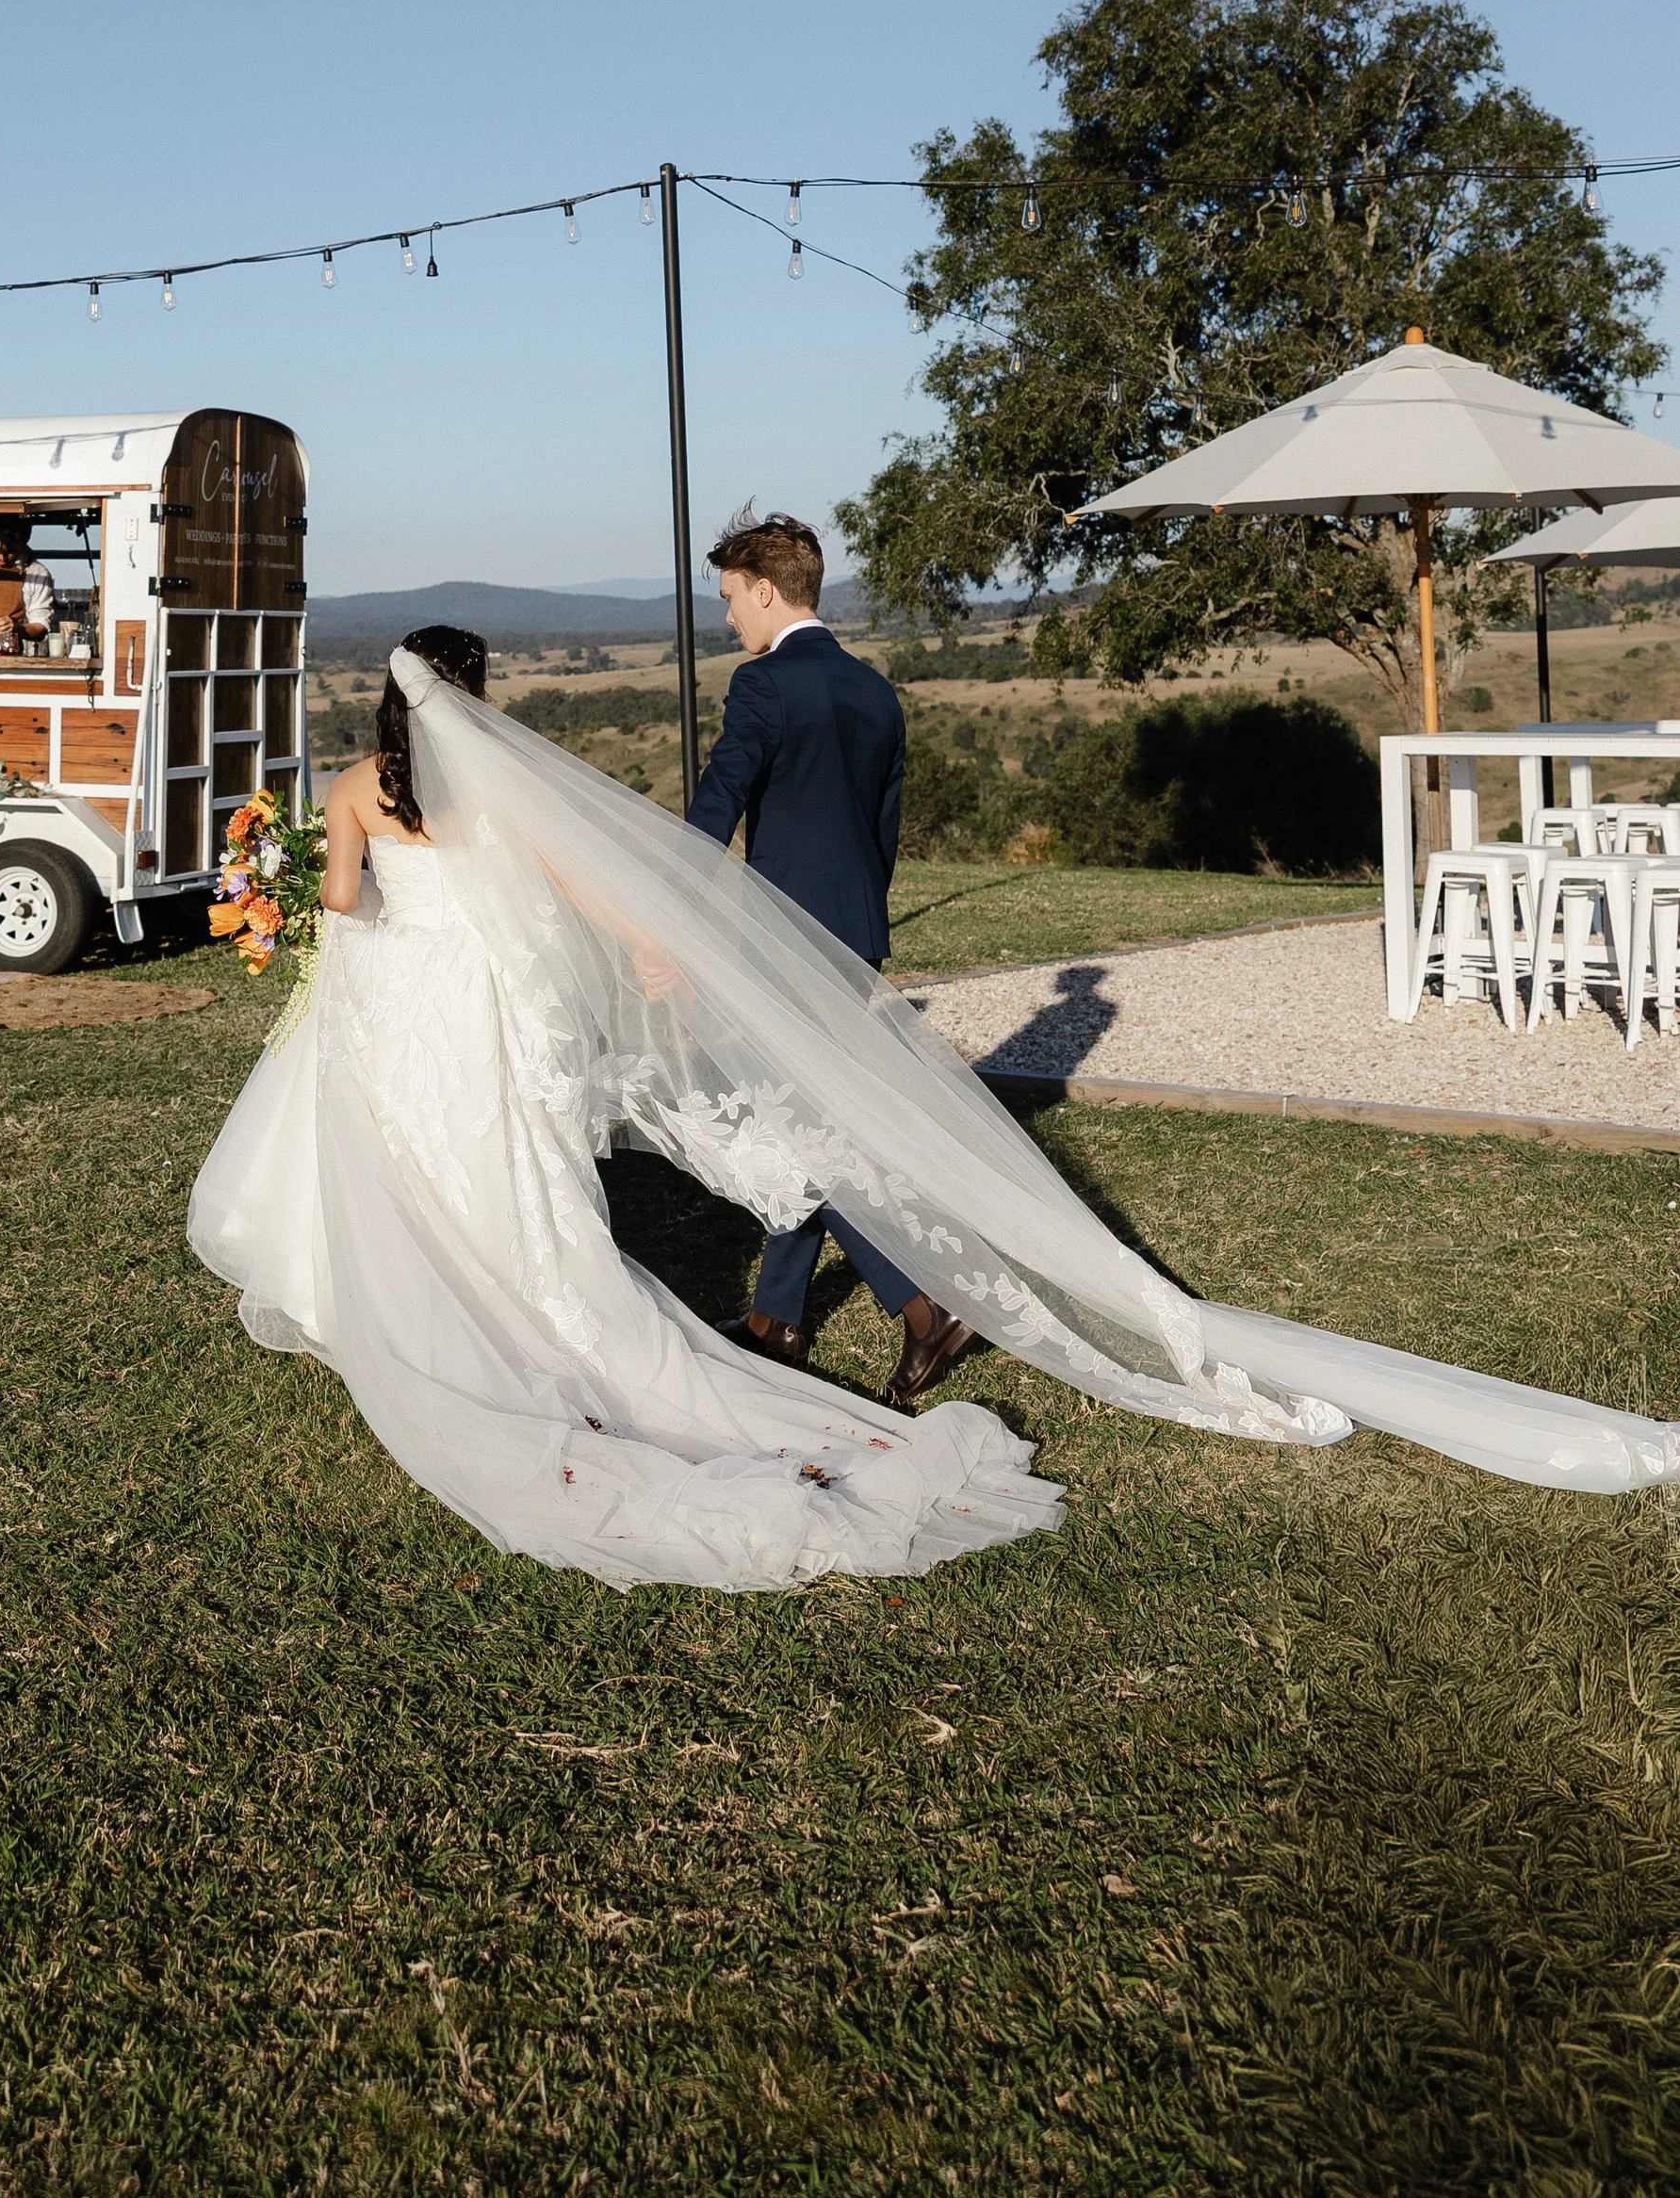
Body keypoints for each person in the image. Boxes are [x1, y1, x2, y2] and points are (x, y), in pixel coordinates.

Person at [188, 631, 1679, 1597]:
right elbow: (590, 892)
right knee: (518, 1175)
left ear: (385, 700)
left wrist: (306, 929)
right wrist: (657, 949)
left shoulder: (358, 788)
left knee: (417, 1166)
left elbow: (344, 911)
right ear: (477, 697)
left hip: (412, 1003)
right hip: (496, 1016)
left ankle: (452, 1311)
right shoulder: (511, 788)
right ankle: (554, 1309)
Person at [686, 509, 970, 1409]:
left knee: (794, 1125)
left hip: (781, 941)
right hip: (855, 936)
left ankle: (920, 1302)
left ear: (767, 591)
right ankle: (778, 1319)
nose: (729, 617)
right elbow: (880, 837)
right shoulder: (874, 690)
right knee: (803, 1116)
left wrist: (668, 908)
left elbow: (717, 802)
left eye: (732, 598)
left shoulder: (763, 685)